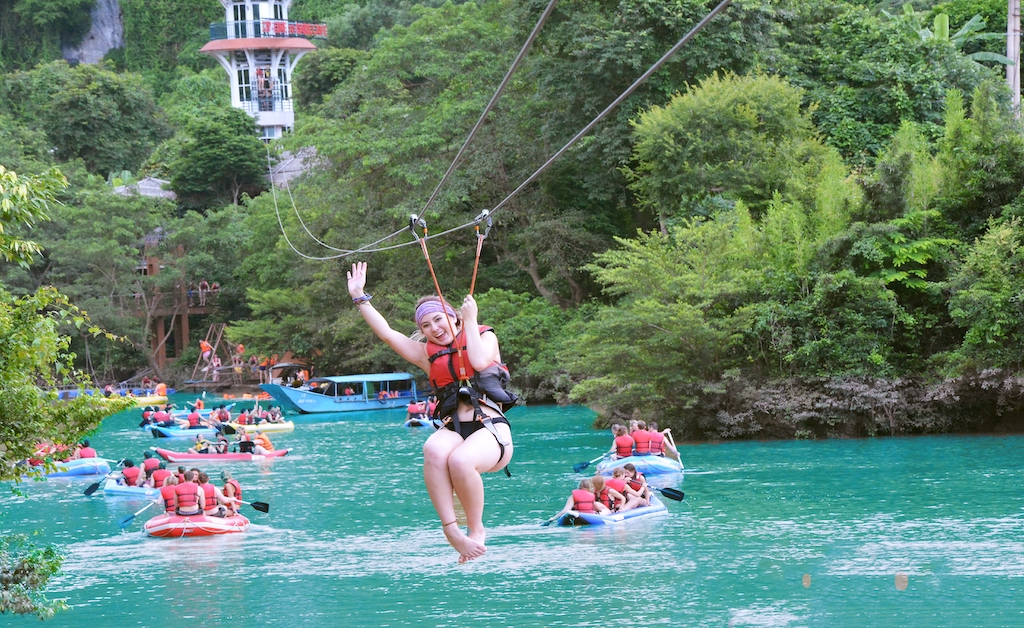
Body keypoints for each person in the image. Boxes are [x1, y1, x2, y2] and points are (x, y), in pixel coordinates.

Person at [347, 261, 518, 563]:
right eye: (426, 326)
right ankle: (452, 531)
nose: (434, 329)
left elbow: (478, 362)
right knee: (433, 449)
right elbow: (387, 334)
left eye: (439, 320)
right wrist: (360, 297)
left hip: (491, 431)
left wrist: (471, 320)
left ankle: (476, 530)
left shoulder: (485, 337)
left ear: (452, 316)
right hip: (455, 429)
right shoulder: (428, 355)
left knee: (461, 460)